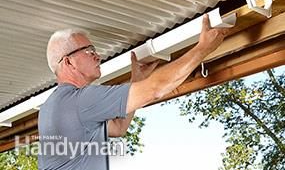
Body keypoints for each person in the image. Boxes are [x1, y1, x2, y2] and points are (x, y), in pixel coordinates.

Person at [38, 14, 228, 170]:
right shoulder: (80, 101)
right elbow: (156, 89)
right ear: (68, 62)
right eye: (88, 51)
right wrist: (203, 48)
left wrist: (136, 80)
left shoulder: (50, 108)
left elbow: (118, 128)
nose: (98, 56)